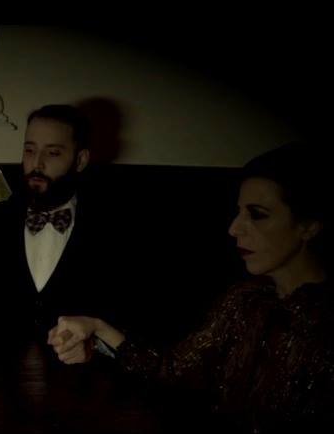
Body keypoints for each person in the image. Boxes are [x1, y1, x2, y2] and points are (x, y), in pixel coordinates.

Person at [48, 142, 333, 432]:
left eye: (257, 214)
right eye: (239, 212)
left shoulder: (325, 323)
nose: (234, 228)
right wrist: (96, 328)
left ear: (309, 225)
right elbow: (172, 372)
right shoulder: (245, 300)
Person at [0, 104, 125, 350]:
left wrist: (94, 346)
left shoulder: (112, 230)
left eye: (53, 153)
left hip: (82, 373)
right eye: (29, 150)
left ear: (80, 160)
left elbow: (129, 324)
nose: (37, 164)